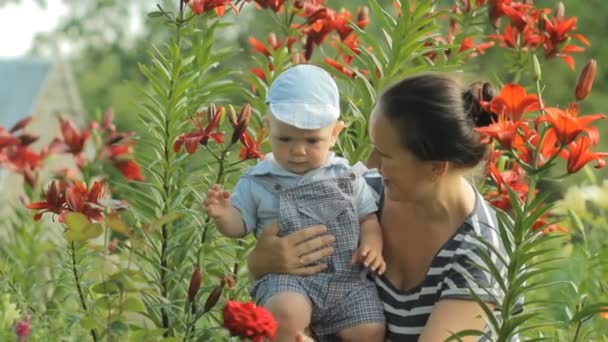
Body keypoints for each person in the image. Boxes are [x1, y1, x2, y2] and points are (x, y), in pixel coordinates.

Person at [248, 73, 509, 341]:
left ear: (435, 168)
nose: (370, 164)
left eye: (384, 154)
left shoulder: (480, 253)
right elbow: (289, 280)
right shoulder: (366, 194)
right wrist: (260, 264)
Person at [204, 64, 386, 342]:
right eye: (285, 138)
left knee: (369, 330)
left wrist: (373, 245)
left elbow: (368, 217)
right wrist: (223, 214)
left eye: (313, 140)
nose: (298, 150)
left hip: (347, 282)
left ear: (335, 132)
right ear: (267, 128)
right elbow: (239, 226)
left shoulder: (347, 176)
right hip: (287, 278)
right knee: (286, 314)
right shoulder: (257, 180)